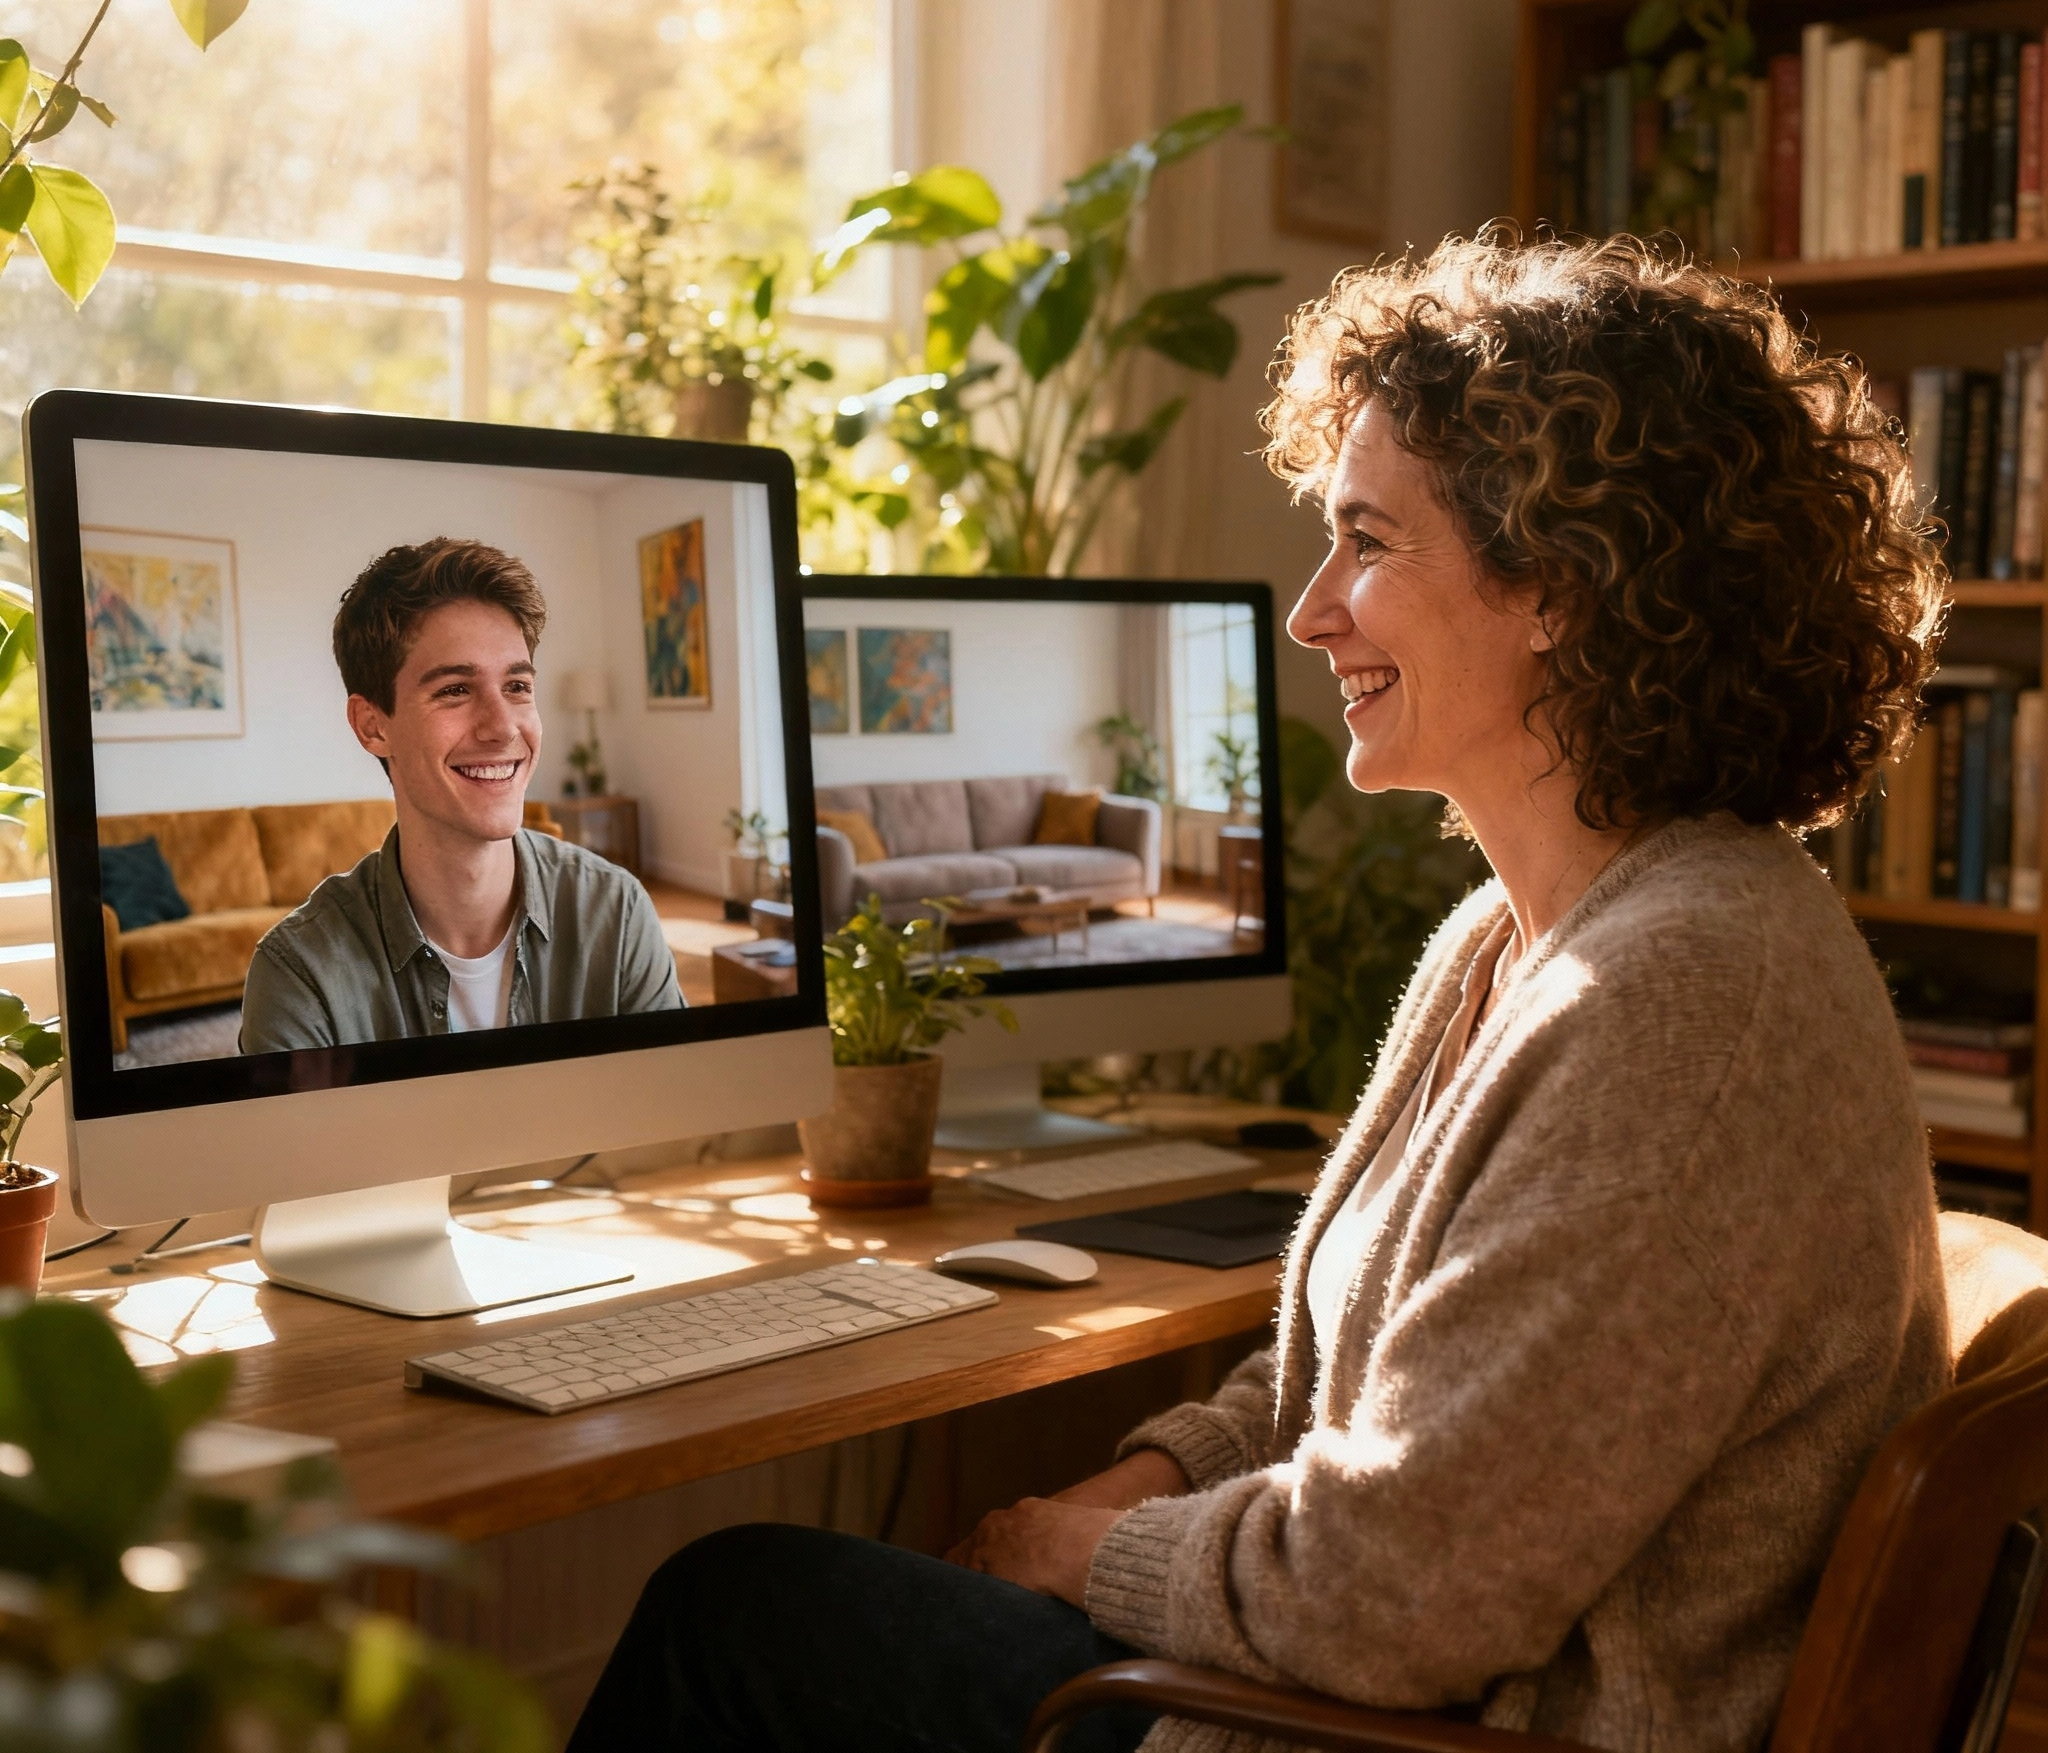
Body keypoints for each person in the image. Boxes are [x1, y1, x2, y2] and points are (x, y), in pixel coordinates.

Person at [567, 235, 1950, 1753]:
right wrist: (1137, 1483)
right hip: (1339, 1692)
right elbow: (1343, 1396)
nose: (1311, 611)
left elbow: (1398, 1593)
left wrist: (1082, 1552)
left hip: (1390, 1730)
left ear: (1557, 582)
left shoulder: (1684, 998)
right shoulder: (1515, 940)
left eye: (1367, 542)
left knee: (731, 1609)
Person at [240, 537, 680, 1054]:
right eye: (454, 690)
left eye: (517, 687)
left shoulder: (616, 913)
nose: (503, 727)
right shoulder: (300, 976)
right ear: (373, 725)